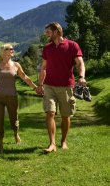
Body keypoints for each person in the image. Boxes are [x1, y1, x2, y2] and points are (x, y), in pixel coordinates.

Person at [35, 22, 86, 153]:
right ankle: (52, 143)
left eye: (48, 32)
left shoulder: (72, 45)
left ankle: (63, 141)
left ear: (56, 31)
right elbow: (43, 68)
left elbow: (80, 63)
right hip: (49, 85)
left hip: (66, 86)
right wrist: (40, 84)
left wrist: (81, 77)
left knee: (65, 115)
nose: (46, 34)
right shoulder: (47, 48)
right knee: (50, 113)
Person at [0, 43, 38, 152]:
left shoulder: (16, 65)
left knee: (14, 119)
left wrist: (35, 88)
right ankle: (0, 144)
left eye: (12, 48)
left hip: (12, 97)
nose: (12, 50)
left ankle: (16, 134)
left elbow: (24, 77)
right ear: (3, 51)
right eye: (9, 48)